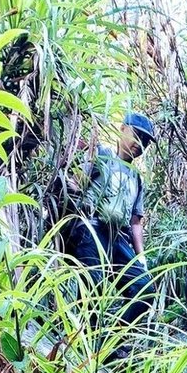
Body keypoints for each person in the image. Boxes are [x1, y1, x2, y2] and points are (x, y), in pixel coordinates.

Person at [65, 113, 157, 336]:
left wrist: (140, 258)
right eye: (137, 136)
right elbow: (76, 184)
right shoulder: (102, 154)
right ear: (123, 129)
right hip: (92, 226)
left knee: (144, 290)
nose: (140, 145)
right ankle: (83, 342)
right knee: (92, 289)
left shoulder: (136, 177)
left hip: (118, 237)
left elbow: (136, 221)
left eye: (145, 142)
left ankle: (109, 343)